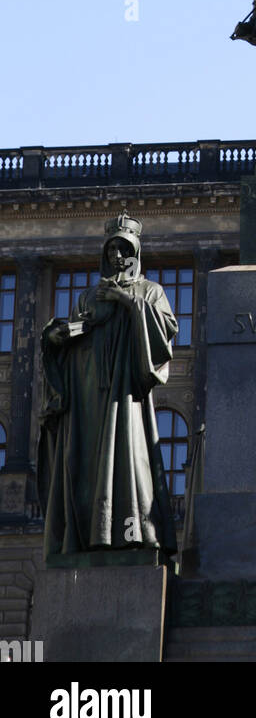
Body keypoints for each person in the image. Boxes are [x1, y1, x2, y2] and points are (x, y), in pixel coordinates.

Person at [37, 213, 178, 563]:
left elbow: (165, 336)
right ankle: (86, 535)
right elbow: (74, 336)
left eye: (123, 247)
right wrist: (56, 338)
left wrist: (128, 302)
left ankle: (134, 533)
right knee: (85, 461)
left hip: (125, 393)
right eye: (111, 247)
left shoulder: (150, 291)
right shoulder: (87, 297)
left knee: (129, 459)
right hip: (88, 394)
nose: (116, 254)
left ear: (135, 251)